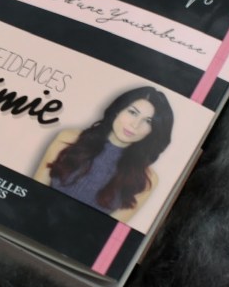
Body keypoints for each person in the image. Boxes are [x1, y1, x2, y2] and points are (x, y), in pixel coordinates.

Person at [33, 87, 174, 222]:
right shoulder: (68, 138)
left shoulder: (146, 179)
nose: (135, 125)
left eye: (148, 121)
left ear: (154, 130)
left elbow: (109, 231)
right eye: (132, 112)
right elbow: (34, 192)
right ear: (118, 110)